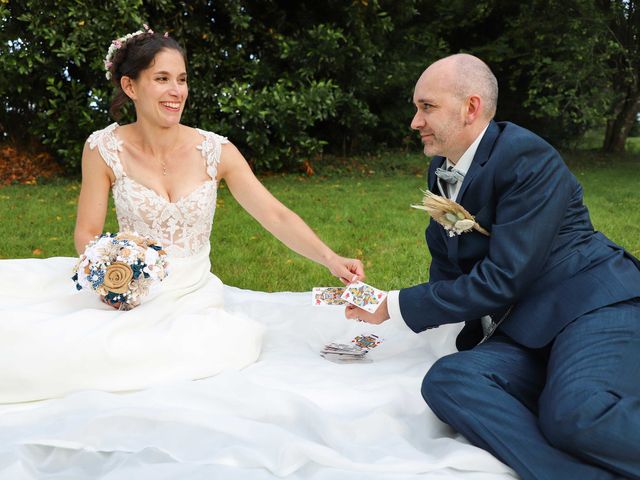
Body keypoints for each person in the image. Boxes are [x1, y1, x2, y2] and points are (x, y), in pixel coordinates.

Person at [0, 26, 363, 404]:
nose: (177, 91)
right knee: (65, 348)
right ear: (130, 86)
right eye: (162, 79)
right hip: (133, 290)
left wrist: (329, 257)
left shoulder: (215, 150)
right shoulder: (103, 149)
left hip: (192, 293)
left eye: (182, 79)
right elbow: (87, 233)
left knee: (205, 349)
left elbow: (273, 213)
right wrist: (111, 277)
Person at [346, 53, 640, 480]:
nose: (414, 121)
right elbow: (450, 262)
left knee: (576, 413)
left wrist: (394, 304)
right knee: (448, 380)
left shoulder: (526, 157)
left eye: (426, 107)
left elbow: (503, 278)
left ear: (471, 107)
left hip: (590, 307)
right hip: (525, 328)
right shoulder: (442, 169)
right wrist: (420, 314)